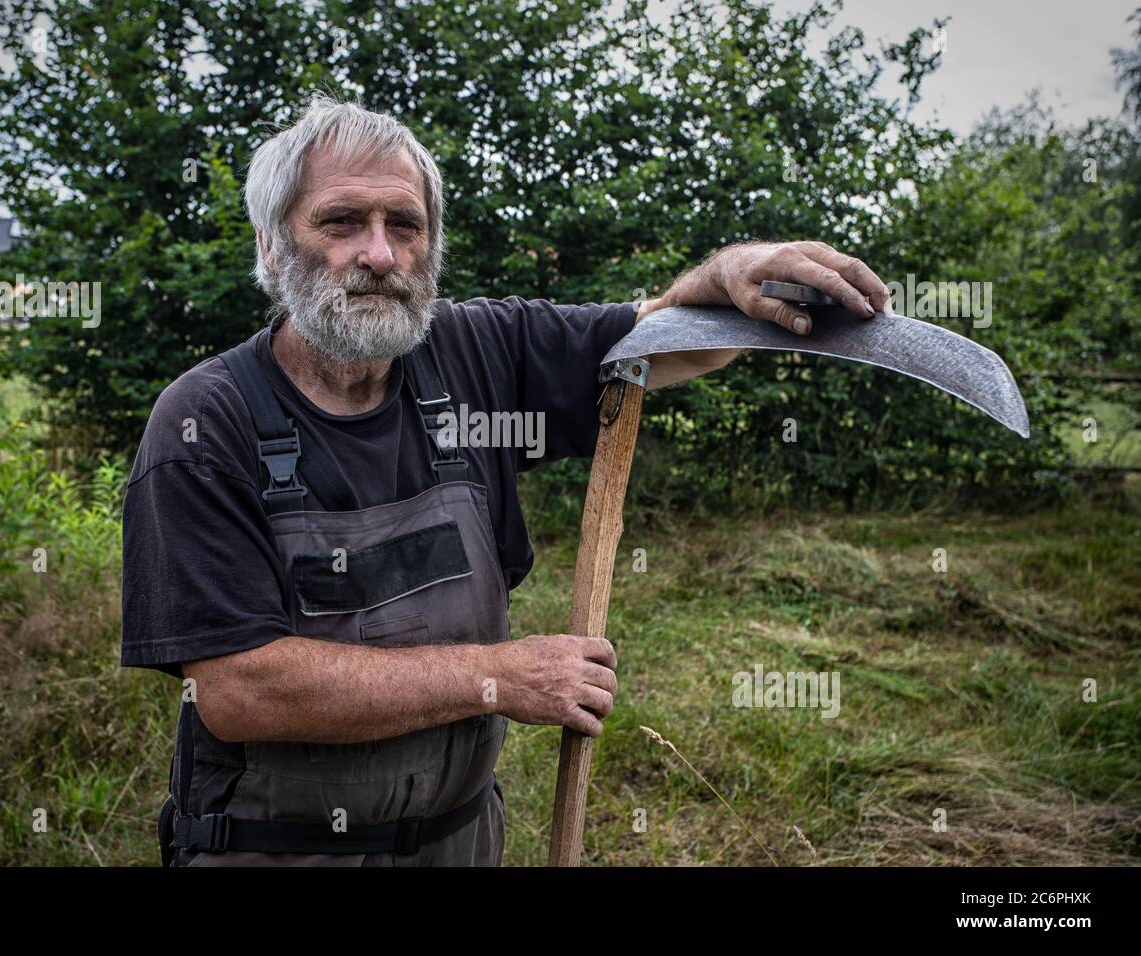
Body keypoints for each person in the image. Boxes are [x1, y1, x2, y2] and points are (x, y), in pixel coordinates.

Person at [120, 92, 890, 866]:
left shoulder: (472, 352)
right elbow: (241, 690)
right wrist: (496, 676)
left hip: (459, 844)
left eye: (405, 225)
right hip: (278, 854)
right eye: (341, 221)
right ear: (271, 245)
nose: (381, 255)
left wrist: (732, 274)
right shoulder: (204, 423)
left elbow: (663, 342)